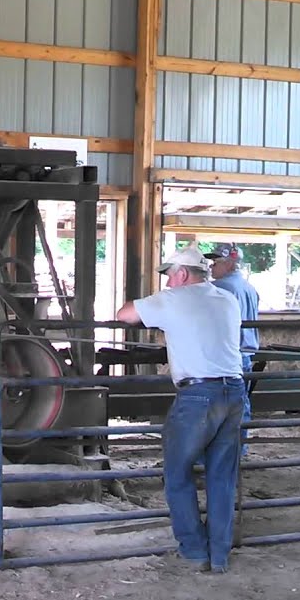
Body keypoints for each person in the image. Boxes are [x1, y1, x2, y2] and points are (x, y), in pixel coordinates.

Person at [116, 245, 246, 573]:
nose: (169, 282)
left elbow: (124, 315)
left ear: (183, 274)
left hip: (198, 395)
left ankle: (193, 550)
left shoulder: (173, 299)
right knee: (221, 476)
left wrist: (161, 303)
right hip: (233, 392)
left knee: (177, 472)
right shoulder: (227, 299)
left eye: (170, 276)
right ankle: (219, 555)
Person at [206, 243, 259, 454]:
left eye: (215, 263)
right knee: (241, 402)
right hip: (246, 352)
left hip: (227, 354)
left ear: (229, 264)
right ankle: (239, 448)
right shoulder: (248, 287)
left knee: (217, 404)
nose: (211, 267)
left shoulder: (220, 288)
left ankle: (222, 452)